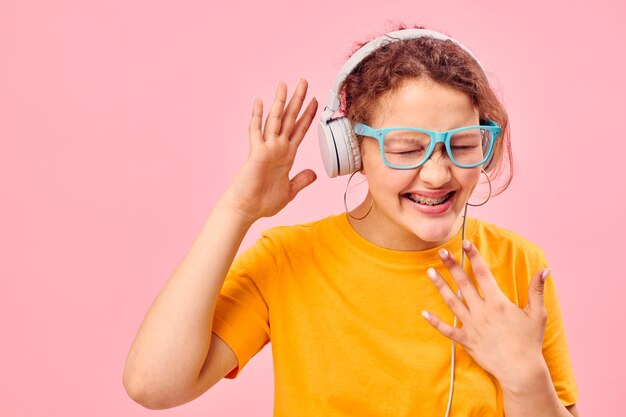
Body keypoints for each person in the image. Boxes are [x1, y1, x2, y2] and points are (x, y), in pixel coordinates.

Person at [123, 25, 580, 417]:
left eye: (462, 145)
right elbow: (154, 385)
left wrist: (525, 379)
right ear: (349, 152)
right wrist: (237, 210)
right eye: (405, 149)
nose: (439, 174)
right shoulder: (289, 260)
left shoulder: (519, 265)